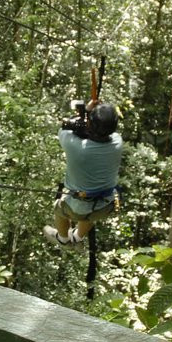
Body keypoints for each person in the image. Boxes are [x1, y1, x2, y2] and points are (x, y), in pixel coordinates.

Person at [43, 100, 122, 245]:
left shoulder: (74, 146)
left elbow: (64, 128)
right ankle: (78, 237)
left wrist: (85, 111)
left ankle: (64, 239)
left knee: (59, 209)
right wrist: (96, 115)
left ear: (90, 125)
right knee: (90, 214)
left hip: (77, 207)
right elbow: (103, 132)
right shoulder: (117, 142)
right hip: (106, 205)